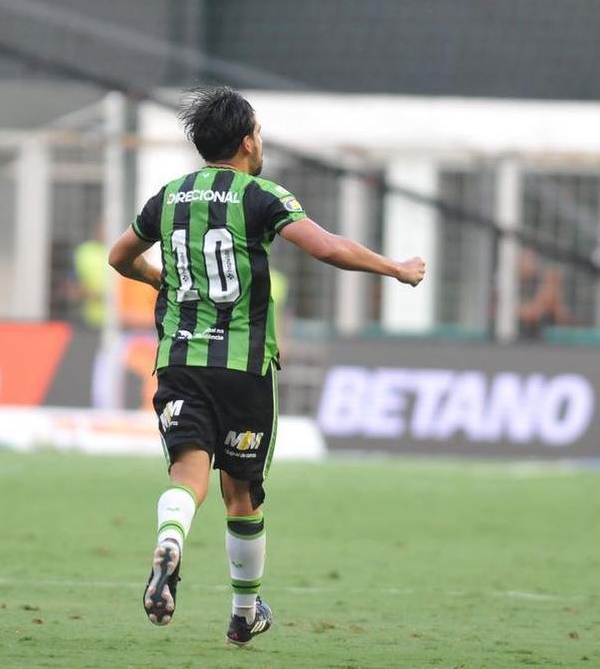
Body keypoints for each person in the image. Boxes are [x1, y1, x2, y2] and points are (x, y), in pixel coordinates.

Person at [107, 87, 425, 645]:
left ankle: (172, 540)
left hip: (179, 359)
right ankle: (243, 612)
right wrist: (394, 268)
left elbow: (119, 257)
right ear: (249, 140)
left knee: (187, 474)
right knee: (242, 493)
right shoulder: (261, 196)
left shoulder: (169, 196)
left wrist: (159, 278)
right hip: (243, 368)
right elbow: (324, 247)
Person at [517, 248, 569, 340]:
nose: (529, 264)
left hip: (541, 335)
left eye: (531, 260)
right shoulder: (508, 282)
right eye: (525, 260)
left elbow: (537, 312)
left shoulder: (544, 281)